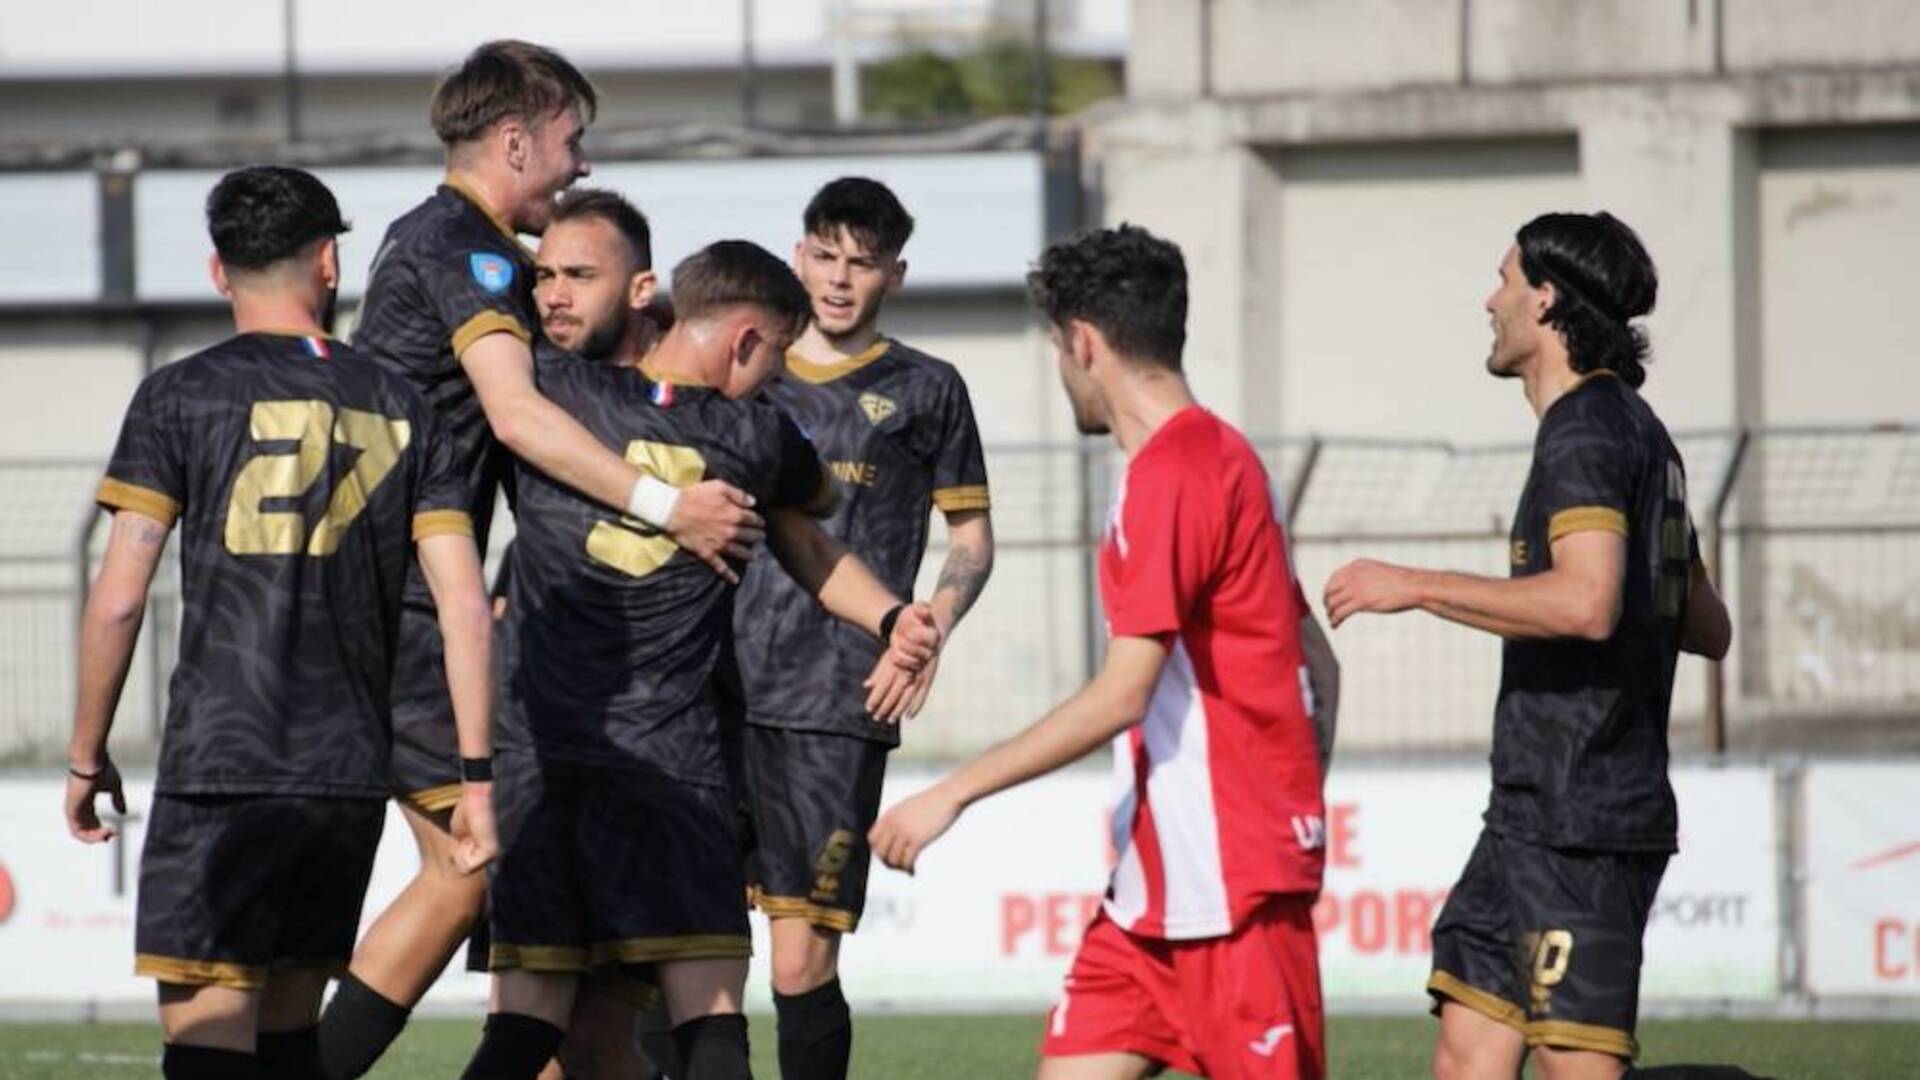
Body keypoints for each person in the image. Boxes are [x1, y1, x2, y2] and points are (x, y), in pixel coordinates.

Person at [322, 42, 757, 1079]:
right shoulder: (466, 251)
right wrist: (667, 504)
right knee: (475, 864)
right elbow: (515, 416)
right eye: (571, 141)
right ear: (517, 138)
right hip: (407, 609)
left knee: (553, 910)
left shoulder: (451, 245)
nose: (581, 164)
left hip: (423, 604)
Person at [462, 240, 941, 1080]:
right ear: (748, 340)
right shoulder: (756, 435)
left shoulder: (557, 392)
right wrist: (894, 613)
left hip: (541, 760)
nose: (775, 378)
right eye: (777, 357)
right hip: (674, 762)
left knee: (526, 1028)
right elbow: (810, 536)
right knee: (711, 1015)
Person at [871, 224, 1335, 1080]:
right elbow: (1318, 658)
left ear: (1083, 342)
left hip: (1231, 896)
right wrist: (1293, 790)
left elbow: (1125, 692)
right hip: (1149, 898)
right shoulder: (1222, 456)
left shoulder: (1175, 474)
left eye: (1058, 347)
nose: (1062, 369)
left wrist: (951, 795)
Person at [64, 165, 497, 1080]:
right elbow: (464, 605)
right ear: (329, 262)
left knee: (210, 1036)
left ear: (220, 272)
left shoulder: (178, 394)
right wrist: (478, 777)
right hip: (343, 777)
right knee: (293, 1037)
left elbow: (119, 596)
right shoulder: (406, 403)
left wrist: (85, 752)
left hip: (223, 767)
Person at [1323, 212, 1736, 1080]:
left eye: (1504, 279)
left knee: (1575, 1066)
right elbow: (1708, 625)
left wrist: (1417, 586)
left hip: (1582, 816)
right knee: (1467, 1048)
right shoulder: (1640, 433)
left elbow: (1587, 604)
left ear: (1545, 299)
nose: (1491, 298)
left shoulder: (1586, 430)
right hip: (1527, 813)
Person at [729, 177, 995, 1080]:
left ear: (896, 276)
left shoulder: (928, 388)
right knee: (691, 945)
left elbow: (971, 540)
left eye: (864, 263)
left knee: (800, 958)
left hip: (836, 696)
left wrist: (929, 627)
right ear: (799, 255)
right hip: (709, 685)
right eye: (827, 256)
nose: (840, 280)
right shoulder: (741, 368)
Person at [526, 187, 682, 1080]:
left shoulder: (706, 400)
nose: (553, 293)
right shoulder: (530, 388)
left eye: (580, 275)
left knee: (613, 1023)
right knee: (539, 1022)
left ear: (640, 287)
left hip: (667, 750)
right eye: (544, 274)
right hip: (543, 749)